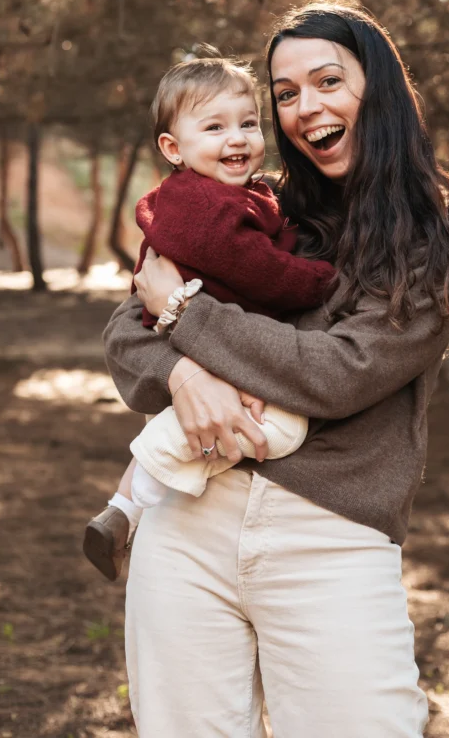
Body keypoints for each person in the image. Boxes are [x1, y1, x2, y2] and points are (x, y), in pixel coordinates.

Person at [103, 0, 449, 738]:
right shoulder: (252, 208)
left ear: (377, 88)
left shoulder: (448, 226)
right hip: (188, 519)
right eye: (284, 94)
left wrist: (185, 315)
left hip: (332, 533)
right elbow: (128, 329)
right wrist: (185, 377)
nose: (304, 106)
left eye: (327, 81)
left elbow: (340, 372)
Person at [83, 56, 336, 581]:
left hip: (209, 337)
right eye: (215, 128)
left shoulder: (228, 194)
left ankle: (125, 507)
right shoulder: (205, 207)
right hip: (207, 342)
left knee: (206, 417)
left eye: (248, 123)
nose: (237, 138)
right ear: (173, 148)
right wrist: (320, 278)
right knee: (282, 428)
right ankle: (142, 491)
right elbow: (261, 271)